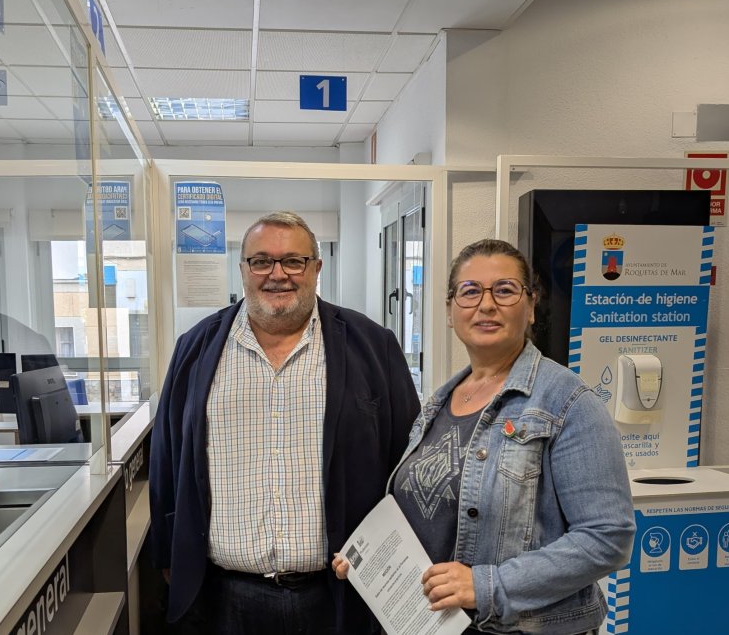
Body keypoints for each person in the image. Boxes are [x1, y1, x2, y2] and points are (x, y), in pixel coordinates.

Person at [332, 238, 635, 635]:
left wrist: (486, 585)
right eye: (470, 291)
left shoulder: (568, 403)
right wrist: (373, 560)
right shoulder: (438, 404)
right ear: (449, 311)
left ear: (530, 306)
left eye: (505, 290)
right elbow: (429, 514)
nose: (486, 305)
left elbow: (607, 538)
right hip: (436, 624)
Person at [149, 211, 420, 635]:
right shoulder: (196, 349)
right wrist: (169, 557)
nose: (278, 274)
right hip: (224, 599)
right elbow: (166, 457)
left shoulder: (373, 346)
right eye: (261, 261)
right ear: (243, 270)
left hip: (342, 596)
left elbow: (408, 464)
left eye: (293, 261)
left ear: (316, 267)